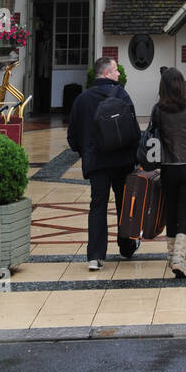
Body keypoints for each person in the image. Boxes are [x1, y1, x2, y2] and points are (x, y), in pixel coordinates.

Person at [67, 56, 140, 270]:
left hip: (96, 162)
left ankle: (95, 256)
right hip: (122, 160)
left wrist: (86, 151)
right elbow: (134, 130)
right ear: (106, 73)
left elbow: (72, 136)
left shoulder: (82, 99)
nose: (119, 73)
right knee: (123, 204)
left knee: (97, 205)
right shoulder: (122, 94)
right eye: (116, 70)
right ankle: (126, 246)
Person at [141, 67, 186, 278]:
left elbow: (152, 136)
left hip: (169, 167)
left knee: (171, 210)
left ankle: (171, 256)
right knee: (185, 211)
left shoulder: (158, 110)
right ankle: (179, 258)